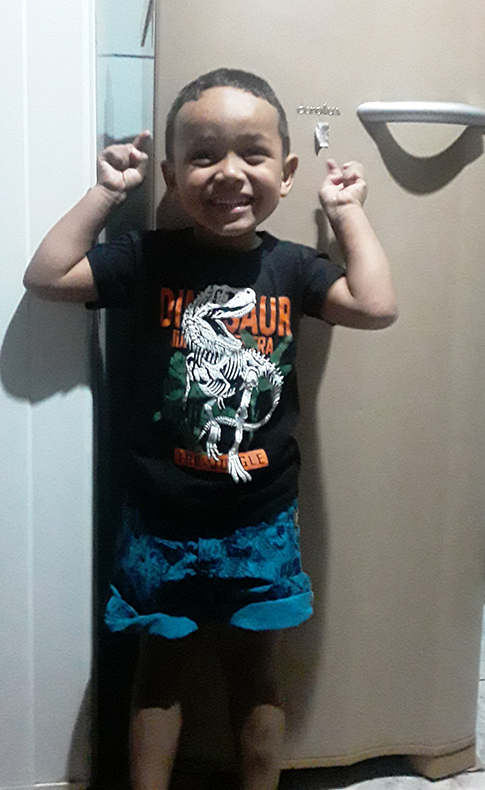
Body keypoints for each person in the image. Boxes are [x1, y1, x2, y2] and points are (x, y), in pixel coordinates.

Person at [24, 68, 397, 790]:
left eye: (253, 154)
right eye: (202, 156)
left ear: (287, 173)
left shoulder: (292, 266)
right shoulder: (148, 258)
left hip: (261, 516)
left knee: (254, 673)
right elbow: (46, 276)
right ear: (171, 176)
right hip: (159, 516)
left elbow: (376, 306)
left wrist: (345, 212)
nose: (229, 172)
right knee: (158, 671)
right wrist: (107, 193)